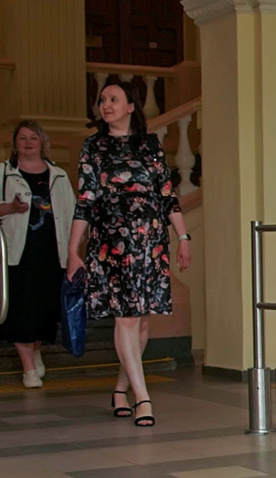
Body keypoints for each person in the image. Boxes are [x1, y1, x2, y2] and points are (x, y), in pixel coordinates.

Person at [67, 81, 189, 427]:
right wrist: (73, 249)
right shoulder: (94, 146)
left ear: (131, 106)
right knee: (127, 319)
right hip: (111, 242)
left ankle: (121, 389)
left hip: (150, 242)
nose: (106, 105)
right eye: (103, 100)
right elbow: (86, 199)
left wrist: (183, 236)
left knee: (142, 321)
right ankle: (143, 398)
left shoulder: (150, 145)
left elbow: (167, 194)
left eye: (114, 99)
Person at [0, 121, 75, 388]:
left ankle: (35, 349)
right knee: (19, 310)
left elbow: (71, 213)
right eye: (22, 138)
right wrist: (9, 207)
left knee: (45, 310)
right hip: (15, 253)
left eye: (33, 137)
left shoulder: (59, 175)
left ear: (42, 141)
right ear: (15, 143)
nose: (28, 142)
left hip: (51, 253)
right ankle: (28, 369)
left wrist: (74, 251)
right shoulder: (2, 171)